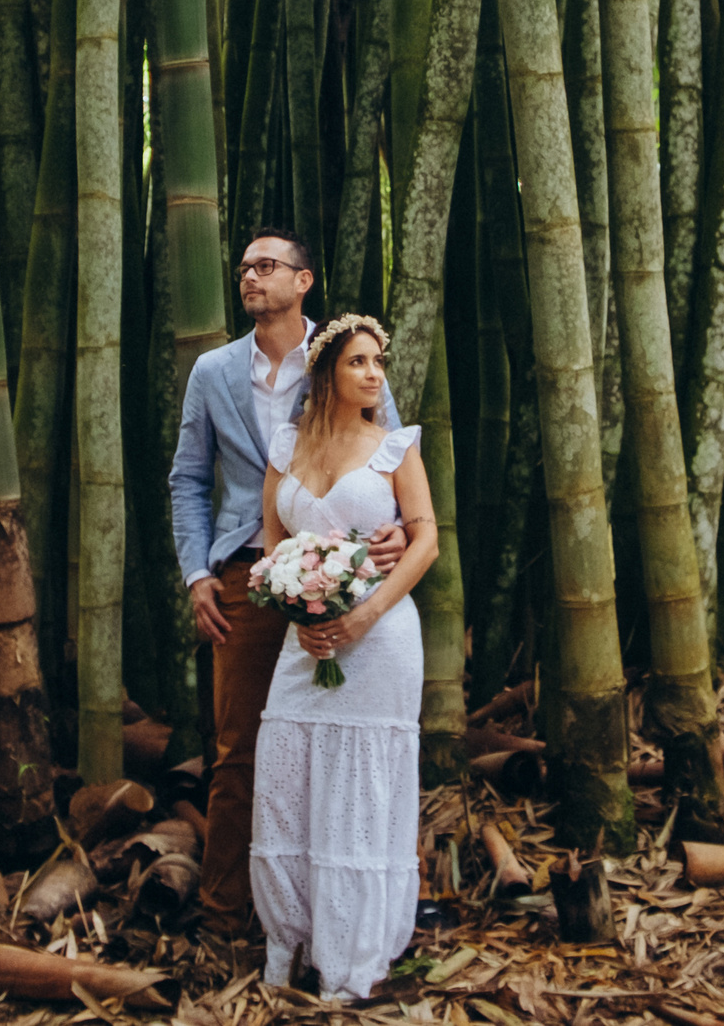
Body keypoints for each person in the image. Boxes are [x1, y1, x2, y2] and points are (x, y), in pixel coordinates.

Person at [168, 229, 402, 941]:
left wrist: (394, 527)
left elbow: (390, 451)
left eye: (265, 266)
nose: (249, 276)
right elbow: (188, 478)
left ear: (303, 281)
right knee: (238, 747)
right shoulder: (212, 371)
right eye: (243, 266)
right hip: (247, 570)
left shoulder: (344, 359)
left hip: (346, 572)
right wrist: (197, 571)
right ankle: (222, 914)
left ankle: (322, 916)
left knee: (336, 744)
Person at [249, 313, 435, 1001]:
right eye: (359, 360)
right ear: (326, 371)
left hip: (380, 636)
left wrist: (364, 611)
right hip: (307, 641)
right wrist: (299, 609)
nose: (374, 373)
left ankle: (350, 960)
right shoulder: (284, 446)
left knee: (360, 785)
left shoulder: (394, 447)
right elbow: (272, 544)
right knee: (287, 773)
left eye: (377, 361)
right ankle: (287, 941)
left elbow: (425, 539)